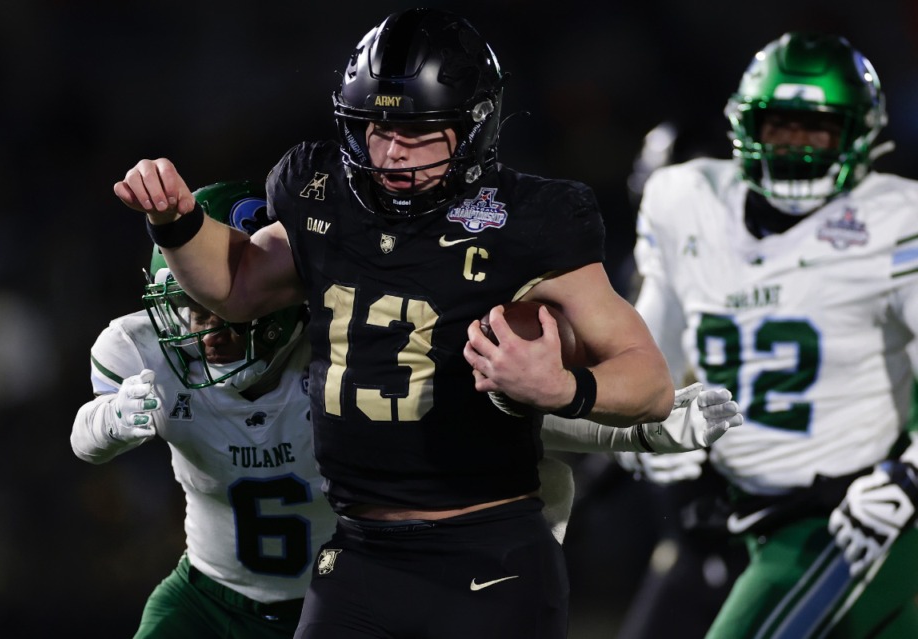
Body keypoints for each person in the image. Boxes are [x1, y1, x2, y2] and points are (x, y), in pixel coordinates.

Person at [113, 9, 676, 637]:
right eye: (377, 127)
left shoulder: (532, 220)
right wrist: (176, 223)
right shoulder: (320, 191)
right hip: (359, 550)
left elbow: (650, 382)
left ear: (475, 127)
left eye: (420, 130)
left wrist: (564, 390)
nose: (392, 152)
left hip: (485, 551)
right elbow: (236, 288)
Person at [628, 31, 918, 638]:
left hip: (858, 516)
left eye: (818, 131)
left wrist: (907, 478)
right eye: (780, 127)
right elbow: (657, 338)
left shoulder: (896, 220)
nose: (796, 148)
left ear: (861, 134)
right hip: (759, 516)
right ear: (744, 125)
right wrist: (642, 422)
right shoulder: (686, 198)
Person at [72, 181, 337, 638]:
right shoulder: (147, 352)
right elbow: (84, 441)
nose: (206, 331)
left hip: (335, 602)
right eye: (192, 309)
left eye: (221, 307)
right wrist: (112, 420)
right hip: (208, 598)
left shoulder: (339, 351)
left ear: (276, 301)